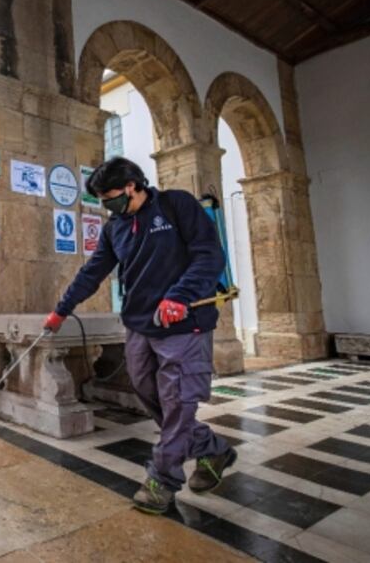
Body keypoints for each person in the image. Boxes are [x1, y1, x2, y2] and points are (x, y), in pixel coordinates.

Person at [44, 157, 235, 514]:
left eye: (111, 196)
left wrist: (181, 295)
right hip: (140, 325)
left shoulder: (176, 205)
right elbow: (93, 272)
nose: (107, 205)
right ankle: (212, 449)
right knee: (152, 397)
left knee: (177, 401)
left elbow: (210, 256)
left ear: (133, 185)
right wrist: (61, 310)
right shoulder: (115, 227)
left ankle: (162, 480)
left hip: (184, 323)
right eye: (101, 200)